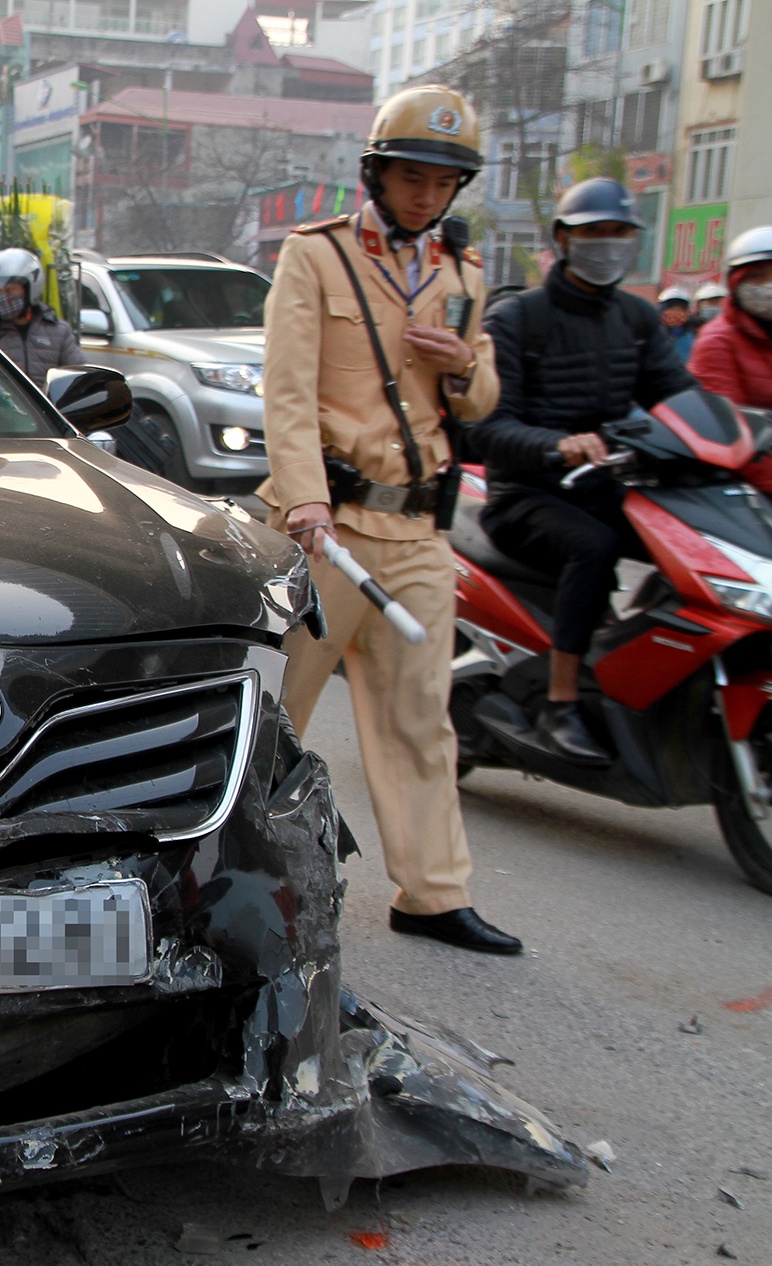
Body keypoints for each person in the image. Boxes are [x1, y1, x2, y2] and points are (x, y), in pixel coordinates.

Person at [260, 84, 515, 955]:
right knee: (281, 709)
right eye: (412, 176)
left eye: (444, 182)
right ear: (378, 173)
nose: (426, 195)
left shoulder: (465, 273)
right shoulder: (318, 257)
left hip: (418, 531)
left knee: (420, 717)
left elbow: (480, 396)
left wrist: (462, 366)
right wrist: (303, 498)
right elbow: (286, 390)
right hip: (326, 523)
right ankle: (249, 872)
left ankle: (434, 892)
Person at [469, 178, 696, 765]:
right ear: (565, 239)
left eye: (621, 234)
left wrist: (735, 432)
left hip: (607, 485)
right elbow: (488, 427)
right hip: (525, 494)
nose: (609, 245)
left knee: (691, 545)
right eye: (595, 233)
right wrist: (559, 445)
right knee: (593, 548)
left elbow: (678, 396)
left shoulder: (638, 320)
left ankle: (635, 670)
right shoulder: (520, 316)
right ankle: (560, 703)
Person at [688, 226, 772, 409]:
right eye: (757, 276)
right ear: (735, 284)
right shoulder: (717, 341)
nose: (769, 286)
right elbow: (724, 418)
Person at [0, 248, 82, 383]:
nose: (2, 296)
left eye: (10, 289)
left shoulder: (58, 332)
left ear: (31, 289)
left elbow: (79, 376)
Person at [657, 286, 696, 361]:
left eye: (680, 309)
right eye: (671, 309)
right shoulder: (653, 334)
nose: (676, 313)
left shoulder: (695, 333)